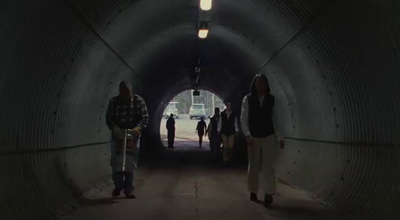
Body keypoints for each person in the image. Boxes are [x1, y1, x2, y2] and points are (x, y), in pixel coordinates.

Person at [240, 73, 284, 207]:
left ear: (266, 85)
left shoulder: (271, 99)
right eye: (257, 82)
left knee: (267, 165)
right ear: (254, 84)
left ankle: (268, 193)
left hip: (269, 135)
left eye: (262, 82)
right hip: (254, 136)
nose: (260, 85)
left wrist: (280, 137)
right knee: (253, 164)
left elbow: (276, 120)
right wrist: (247, 135)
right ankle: (253, 190)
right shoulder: (248, 99)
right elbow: (243, 118)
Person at [106, 80, 149, 199]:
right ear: (120, 92)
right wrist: (114, 128)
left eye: (129, 92)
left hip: (133, 135)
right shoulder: (114, 102)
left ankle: (128, 189)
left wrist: (137, 129)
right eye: (124, 92)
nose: (127, 95)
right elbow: (109, 118)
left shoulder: (138, 101)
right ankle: (118, 185)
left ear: (132, 91)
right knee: (116, 160)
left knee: (131, 162)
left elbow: (145, 118)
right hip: (118, 135)